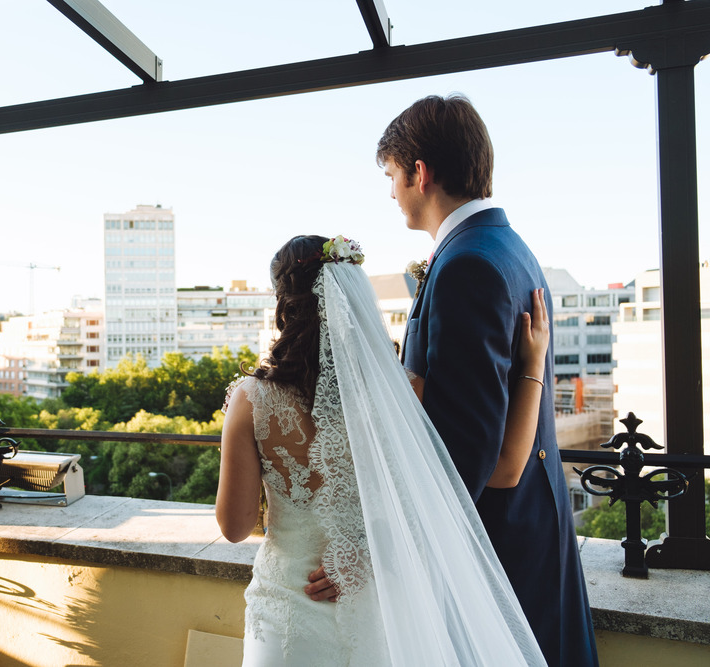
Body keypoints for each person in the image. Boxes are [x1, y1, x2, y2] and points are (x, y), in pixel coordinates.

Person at [218, 234, 549, 665]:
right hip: (376, 603)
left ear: (285, 303)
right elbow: (496, 473)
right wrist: (534, 364)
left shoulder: (251, 400)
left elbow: (235, 526)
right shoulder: (403, 393)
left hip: (288, 608)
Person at [368, 93, 597, 666]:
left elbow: (466, 459)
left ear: (420, 173)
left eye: (392, 175)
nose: (391, 191)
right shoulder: (508, 247)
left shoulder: (467, 266)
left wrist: (381, 556)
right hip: (532, 531)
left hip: (499, 555)